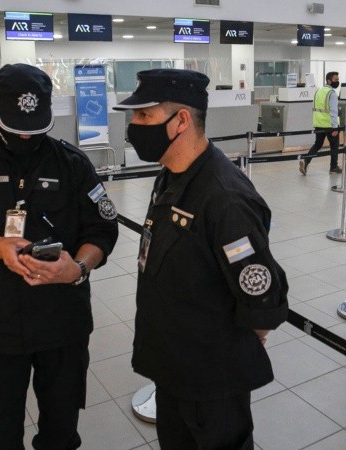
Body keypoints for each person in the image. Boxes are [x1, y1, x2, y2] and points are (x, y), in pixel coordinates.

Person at [0, 63, 119, 449]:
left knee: (61, 432)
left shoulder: (73, 164)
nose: (27, 135)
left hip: (63, 322)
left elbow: (102, 230)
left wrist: (79, 267)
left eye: (35, 124)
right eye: (17, 124)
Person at [113, 69, 289, 450]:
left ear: (181, 121)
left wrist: (244, 337)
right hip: (174, 364)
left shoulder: (223, 197)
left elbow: (260, 291)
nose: (134, 125)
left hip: (211, 378)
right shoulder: (173, 174)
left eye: (144, 115)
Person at [299, 71, 341, 175]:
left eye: (338, 79)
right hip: (329, 125)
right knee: (334, 146)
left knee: (318, 144)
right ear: (329, 81)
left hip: (318, 124)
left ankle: (306, 161)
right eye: (336, 79)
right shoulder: (332, 93)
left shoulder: (318, 91)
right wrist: (335, 127)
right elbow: (333, 111)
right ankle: (333, 167)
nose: (338, 81)